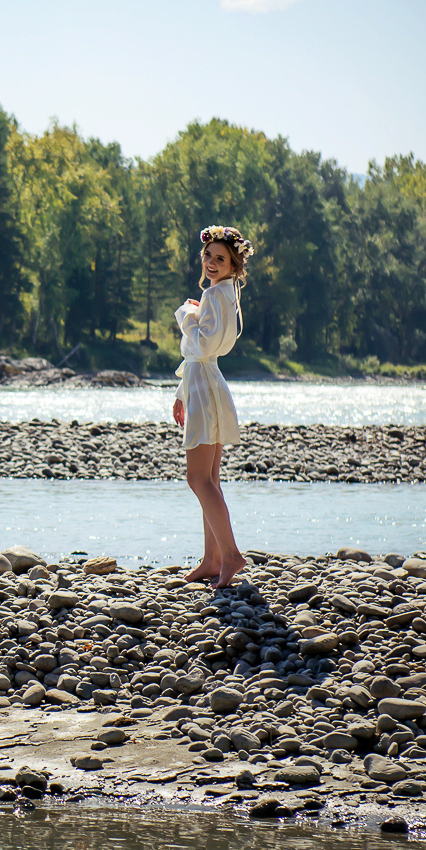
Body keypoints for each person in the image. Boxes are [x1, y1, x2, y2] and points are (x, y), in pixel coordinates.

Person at [171, 225, 252, 589]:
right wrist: (180, 391)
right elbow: (199, 355)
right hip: (204, 383)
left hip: (205, 386)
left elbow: (202, 347)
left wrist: (185, 314)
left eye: (220, 258)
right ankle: (213, 559)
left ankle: (230, 555)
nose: (211, 262)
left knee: (198, 478)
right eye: (208, 255)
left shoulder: (216, 295)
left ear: (234, 265)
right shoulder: (223, 294)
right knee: (210, 479)